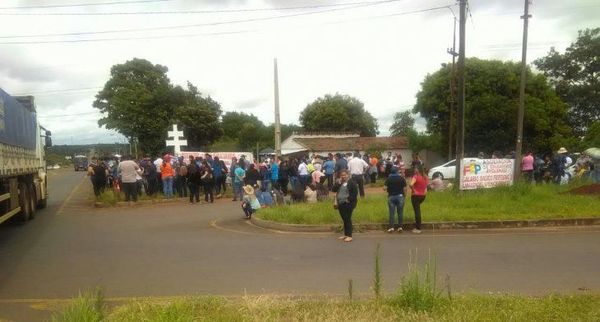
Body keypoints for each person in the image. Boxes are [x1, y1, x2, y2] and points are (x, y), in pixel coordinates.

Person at [332, 170, 358, 242]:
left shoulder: (351, 183)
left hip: (348, 204)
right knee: (344, 219)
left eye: (345, 175)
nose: (343, 176)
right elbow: (333, 190)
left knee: (347, 219)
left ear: (348, 175)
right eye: (342, 175)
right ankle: (346, 234)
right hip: (340, 203)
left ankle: (349, 235)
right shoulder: (340, 183)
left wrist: (348, 199)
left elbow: (355, 193)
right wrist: (338, 183)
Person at [384, 167, 408, 232]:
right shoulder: (401, 178)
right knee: (400, 212)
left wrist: (389, 188)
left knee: (391, 213)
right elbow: (405, 189)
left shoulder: (388, 179)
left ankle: (391, 227)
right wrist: (404, 196)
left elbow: (384, 188)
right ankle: (400, 227)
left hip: (391, 197)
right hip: (400, 196)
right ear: (397, 172)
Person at [409, 166, 428, 234]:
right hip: (423, 196)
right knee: (418, 210)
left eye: (415, 168)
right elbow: (426, 187)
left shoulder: (416, 176)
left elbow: (410, 184)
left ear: (418, 169)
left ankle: (418, 228)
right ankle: (418, 226)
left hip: (415, 196)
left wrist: (414, 190)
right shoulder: (425, 176)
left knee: (417, 211)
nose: (414, 169)